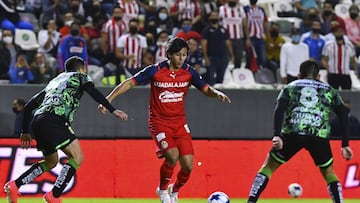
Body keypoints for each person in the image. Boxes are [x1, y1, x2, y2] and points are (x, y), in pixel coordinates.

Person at [98, 37, 231, 203]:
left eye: (184, 55)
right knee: (172, 156)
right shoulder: (155, 70)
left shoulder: (189, 72)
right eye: (178, 55)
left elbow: (205, 89)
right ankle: (162, 190)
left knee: (188, 166)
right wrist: (108, 99)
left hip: (180, 124)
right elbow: (128, 83)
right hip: (159, 122)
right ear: (168, 54)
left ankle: (174, 190)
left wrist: (216, 93)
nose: (181, 58)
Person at [3, 56, 128, 203]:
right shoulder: (80, 76)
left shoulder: (54, 81)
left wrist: (25, 132)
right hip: (55, 118)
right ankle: (54, 194)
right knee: (77, 157)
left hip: (38, 120)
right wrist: (112, 109)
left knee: (50, 162)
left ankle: (15, 185)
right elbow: (92, 90)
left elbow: (29, 106)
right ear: (83, 68)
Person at [247, 60, 353, 203]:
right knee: (329, 173)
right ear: (319, 76)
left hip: (293, 133)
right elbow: (343, 114)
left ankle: (251, 201)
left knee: (269, 166)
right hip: (318, 135)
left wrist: (277, 135)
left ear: (298, 75)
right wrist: (345, 143)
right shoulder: (329, 90)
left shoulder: (290, 87)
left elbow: (279, 110)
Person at [201, 11, 234, 86]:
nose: (214, 18)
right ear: (209, 18)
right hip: (212, 57)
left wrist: (231, 55)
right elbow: (204, 44)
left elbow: (228, 43)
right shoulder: (206, 30)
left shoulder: (223, 30)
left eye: (216, 16)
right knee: (210, 78)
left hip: (223, 57)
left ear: (219, 18)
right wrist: (206, 57)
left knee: (220, 79)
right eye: (213, 16)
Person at [321, 25, 357, 90]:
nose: (339, 33)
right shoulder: (328, 45)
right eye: (337, 31)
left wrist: (356, 70)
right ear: (334, 33)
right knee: (333, 95)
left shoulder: (349, 45)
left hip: (345, 73)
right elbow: (324, 58)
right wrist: (327, 67)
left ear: (343, 32)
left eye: (341, 31)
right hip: (333, 73)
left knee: (347, 96)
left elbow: (353, 59)